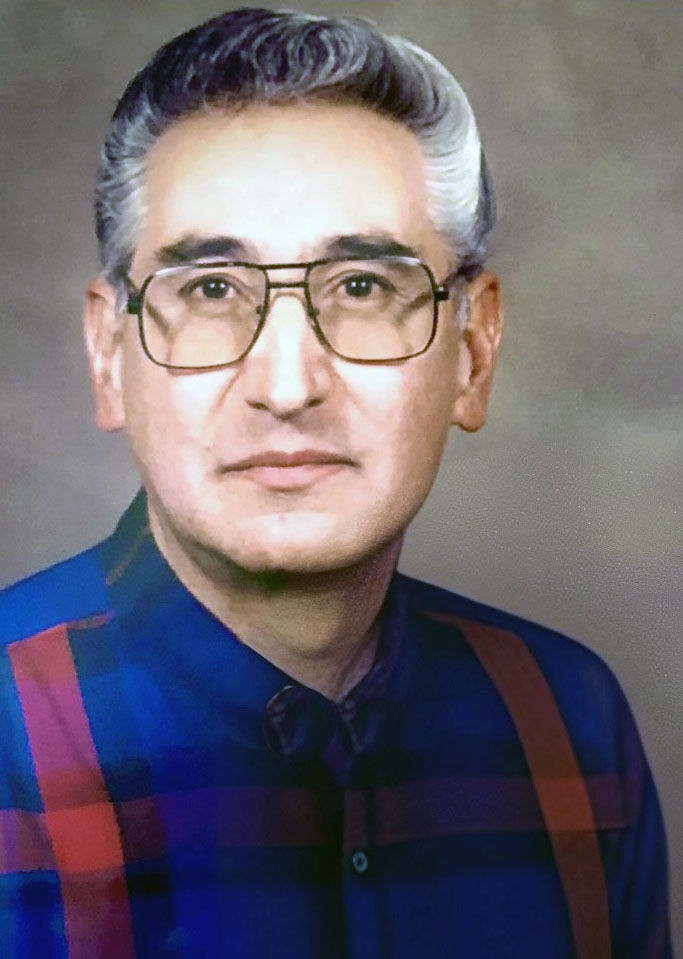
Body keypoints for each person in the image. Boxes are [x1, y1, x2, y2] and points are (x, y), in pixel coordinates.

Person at [0, 8, 671, 958]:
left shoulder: (569, 722)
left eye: (361, 286)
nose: (287, 387)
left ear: (473, 352)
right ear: (110, 355)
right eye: (211, 290)